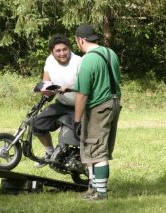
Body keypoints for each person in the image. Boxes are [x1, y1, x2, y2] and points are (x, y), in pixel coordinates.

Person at [73, 24, 122, 200]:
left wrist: (77, 120)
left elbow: (82, 94)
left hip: (98, 107)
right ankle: (93, 189)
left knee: (96, 149)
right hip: (114, 103)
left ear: (81, 40)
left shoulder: (87, 59)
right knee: (99, 147)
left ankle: (100, 194)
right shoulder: (110, 53)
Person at [33, 34, 82, 167]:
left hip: (79, 106)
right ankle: (49, 152)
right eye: (58, 51)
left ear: (70, 49)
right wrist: (45, 93)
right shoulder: (49, 61)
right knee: (37, 124)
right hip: (62, 103)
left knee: (77, 135)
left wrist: (70, 87)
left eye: (65, 49)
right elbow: (46, 82)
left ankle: (77, 162)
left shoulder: (79, 62)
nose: (62, 53)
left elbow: (86, 86)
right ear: (52, 52)